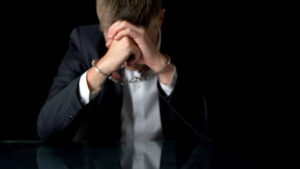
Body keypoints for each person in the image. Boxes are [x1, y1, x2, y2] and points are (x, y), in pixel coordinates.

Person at [37, 0, 209, 142]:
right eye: (117, 37)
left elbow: (215, 134)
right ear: (102, 27)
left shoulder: (191, 41)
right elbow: (46, 130)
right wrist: (100, 70)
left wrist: (164, 68)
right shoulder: (85, 43)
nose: (129, 50)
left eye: (139, 37)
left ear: (160, 20)